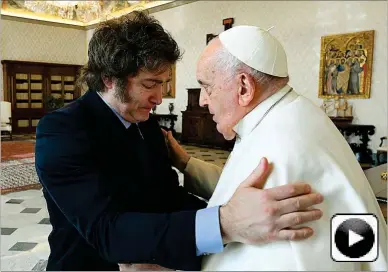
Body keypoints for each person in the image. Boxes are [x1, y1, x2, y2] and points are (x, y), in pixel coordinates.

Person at [35, 12, 324, 271]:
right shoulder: (62, 131)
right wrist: (224, 224)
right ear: (110, 79)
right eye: (150, 84)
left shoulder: (146, 124)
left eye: (163, 84)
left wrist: (239, 221)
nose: (159, 98)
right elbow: (106, 231)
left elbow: (168, 197)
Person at [161, 25, 387, 270]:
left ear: (244, 87)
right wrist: (186, 163)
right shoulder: (291, 115)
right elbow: (241, 195)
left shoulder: (279, 144)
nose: (203, 100)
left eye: (207, 87)